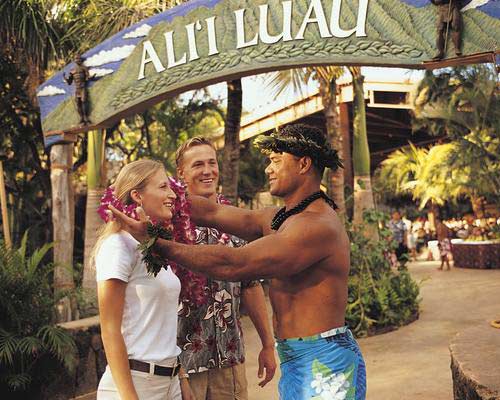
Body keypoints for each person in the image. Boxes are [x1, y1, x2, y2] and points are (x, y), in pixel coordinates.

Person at [110, 124, 366, 400]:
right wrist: (153, 193)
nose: (268, 169)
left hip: (323, 360)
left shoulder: (317, 226)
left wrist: (157, 244)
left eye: (276, 161)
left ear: (303, 164)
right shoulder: (281, 217)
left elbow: (235, 264)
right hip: (296, 358)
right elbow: (213, 211)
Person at [174, 137, 276, 399]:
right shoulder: (168, 223)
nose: (207, 171)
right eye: (198, 164)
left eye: (212, 163)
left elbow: (251, 287)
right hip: (184, 361)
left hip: (229, 358)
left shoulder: (236, 221)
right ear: (181, 173)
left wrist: (267, 344)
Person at [94, 160, 193, 400]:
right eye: (163, 187)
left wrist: (180, 377)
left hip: (169, 382)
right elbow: (109, 330)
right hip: (135, 384)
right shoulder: (118, 246)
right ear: (137, 196)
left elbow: (160, 325)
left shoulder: (151, 248)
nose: (172, 194)